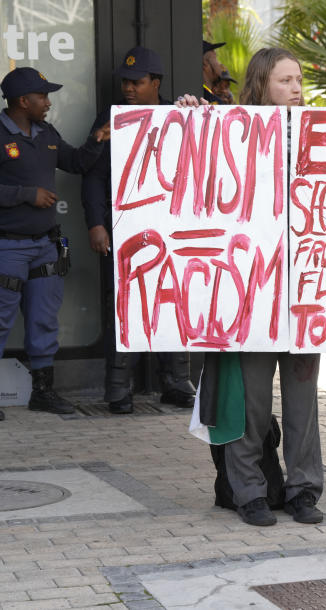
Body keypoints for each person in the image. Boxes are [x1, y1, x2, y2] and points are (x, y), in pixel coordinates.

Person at [179, 47, 326, 526]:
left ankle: (305, 489)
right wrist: (189, 118)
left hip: (306, 293)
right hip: (252, 294)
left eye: (299, 79)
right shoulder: (228, 127)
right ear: (262, 83)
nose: (296, 88)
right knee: (253, 403)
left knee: (304, 403)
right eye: (285, 80)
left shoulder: (322, 133)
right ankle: (251, 491)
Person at [81, 46, 197, 415]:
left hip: (172, 229)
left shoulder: (179, 115)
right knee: (124, 307)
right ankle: (118, 388)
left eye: (137, 81)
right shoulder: (113, 116)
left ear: (155, 83)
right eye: (125, 82)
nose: (129, 88)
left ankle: (176, 383)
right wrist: (96, 224)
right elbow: (94, 177)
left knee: (173, 300)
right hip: (124, 230)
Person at [0, 67, 109, 415]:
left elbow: (75, 162)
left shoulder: (46, 132)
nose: (48, 102)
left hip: (46, 245)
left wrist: (97, 141)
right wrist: (25, 194)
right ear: (23, 101)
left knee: (44, 319)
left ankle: (43, 392)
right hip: (8, 245)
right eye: (43, 96)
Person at [202, 40, 228, 104]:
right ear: (205, 64)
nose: (220, 64)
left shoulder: (210, 96)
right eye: (215, 58)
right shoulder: (201, 98)